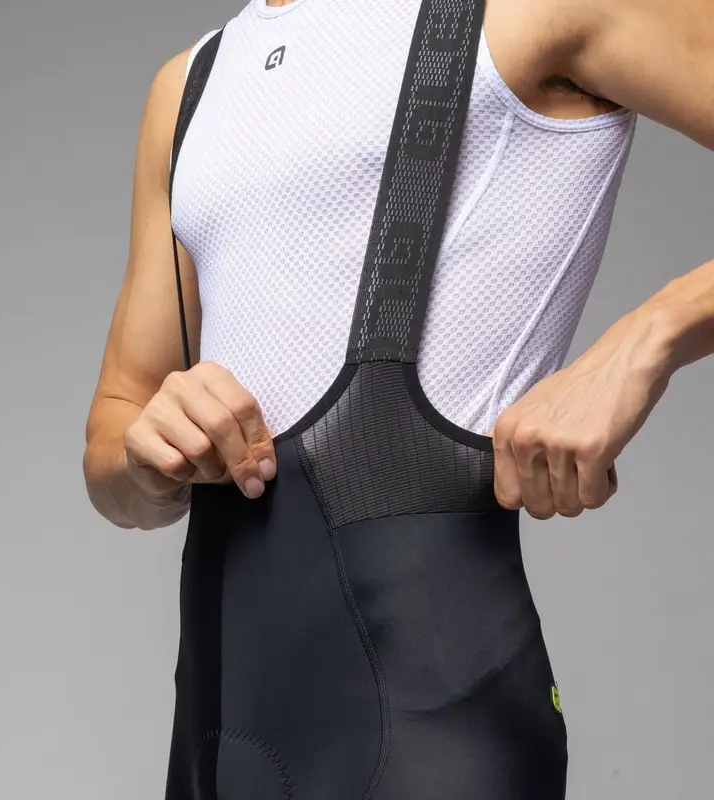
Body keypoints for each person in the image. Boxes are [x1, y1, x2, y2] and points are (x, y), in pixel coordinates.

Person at [83, 0, 714, 796]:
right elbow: (117, 421)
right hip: (217, 736)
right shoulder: (188, 86)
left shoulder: (535, 9)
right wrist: (145, 457)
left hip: (436, 720)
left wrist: (651, 335)